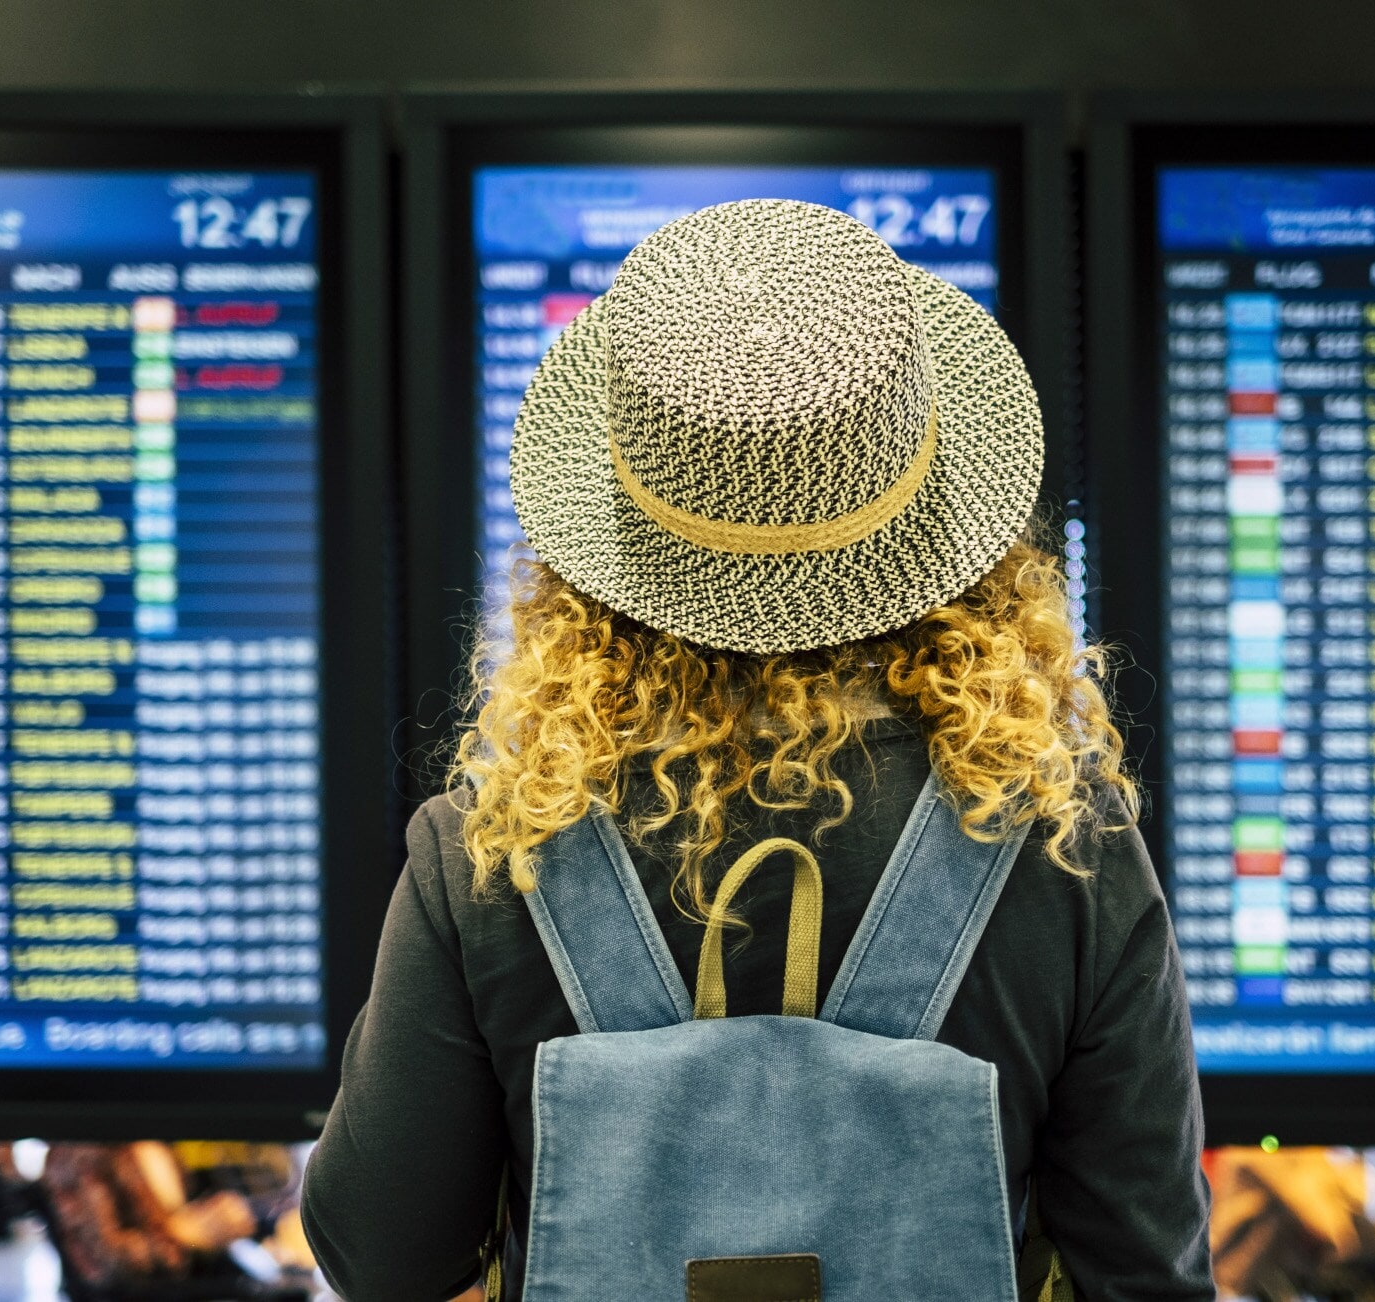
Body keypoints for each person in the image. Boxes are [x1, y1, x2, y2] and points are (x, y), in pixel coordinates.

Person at [303, 199, 1212, 1300]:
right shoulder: (1064, 850)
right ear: (951, 533)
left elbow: (379, 1252)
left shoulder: (491, 850)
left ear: (597, 558)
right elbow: (1145, 1271)